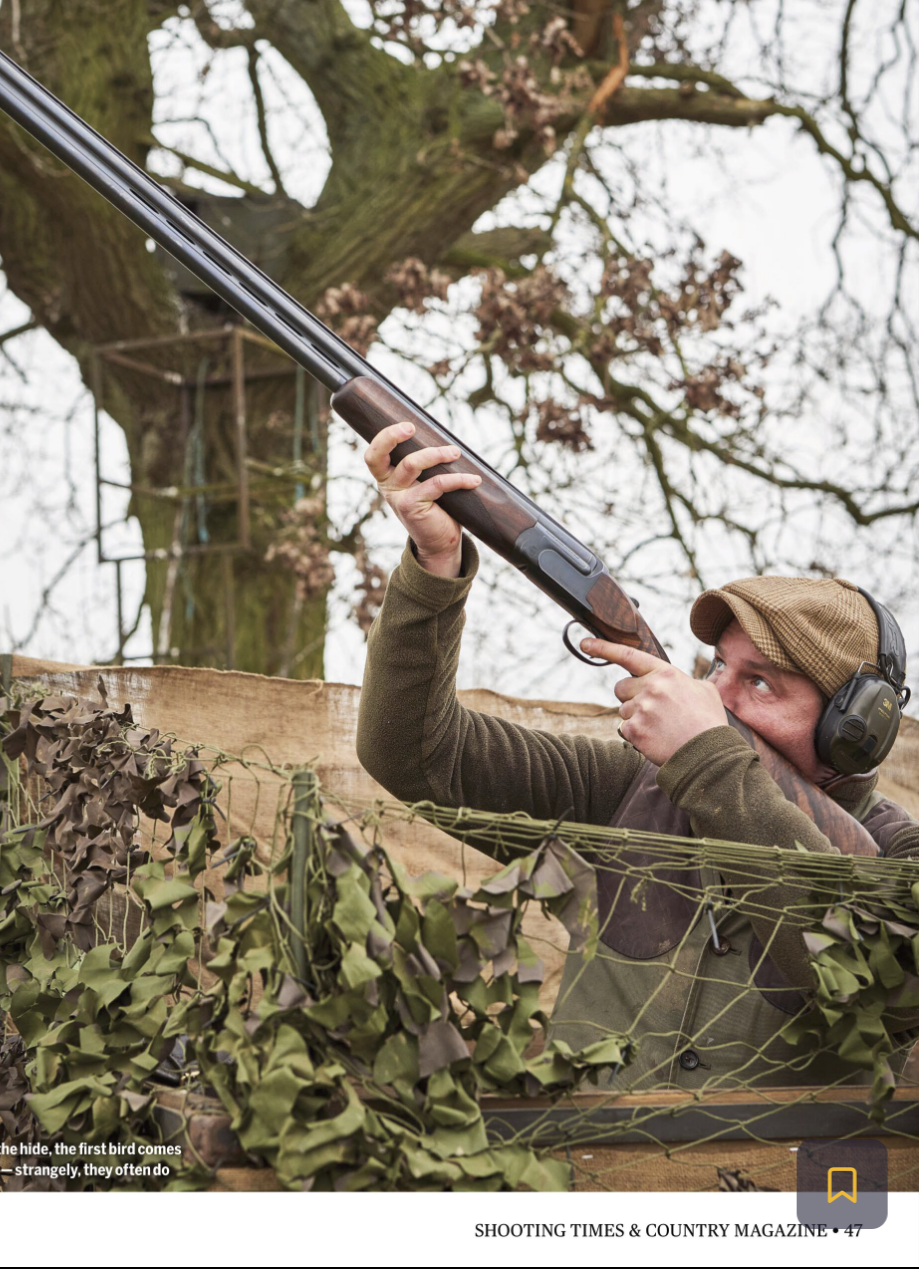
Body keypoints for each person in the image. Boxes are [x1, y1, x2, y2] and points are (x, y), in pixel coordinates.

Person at [354, 425, 915, 1090]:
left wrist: (710, 756)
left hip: (795, 1193)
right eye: (715, 668)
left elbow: (880, 987)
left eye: (758, 681)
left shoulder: (896, 855)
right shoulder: (630, 793)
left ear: (853, 731)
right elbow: (414, 755)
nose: (711, 696)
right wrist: (434, 565)